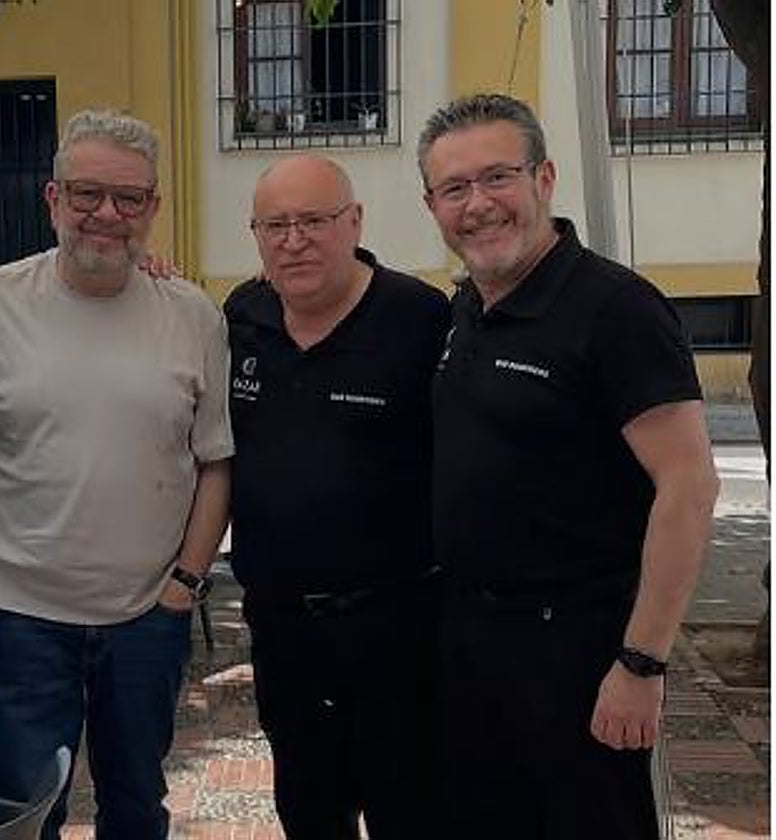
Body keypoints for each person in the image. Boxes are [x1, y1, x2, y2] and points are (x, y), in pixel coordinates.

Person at [420, 93, 720, 839]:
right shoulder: (467, 307)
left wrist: (641, 663)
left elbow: (688, 487)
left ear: (544, 178)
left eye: (498, 177)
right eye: (454, 188)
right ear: (432, 206)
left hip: (580, 653)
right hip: (470, 642)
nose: (477, 204)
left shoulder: (617, 309)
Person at [0, 110, 232, 840]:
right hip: (21, 614)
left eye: (128, 198)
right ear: (52, 199)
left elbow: (214, 461)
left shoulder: (193, 315)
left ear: (153, 208)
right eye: (86, 194)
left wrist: (187, 583)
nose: (106, 214)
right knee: (24, 808)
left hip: (146, 616)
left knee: (136, 803)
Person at [224, 154, 450, 839]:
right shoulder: (243, 316)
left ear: (354, 222)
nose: (294, 241)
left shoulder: (420, 318)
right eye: (276, 226)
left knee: (411, 812)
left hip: (399, 629)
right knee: (308, 810)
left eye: (314, 221)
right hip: (283, 631)